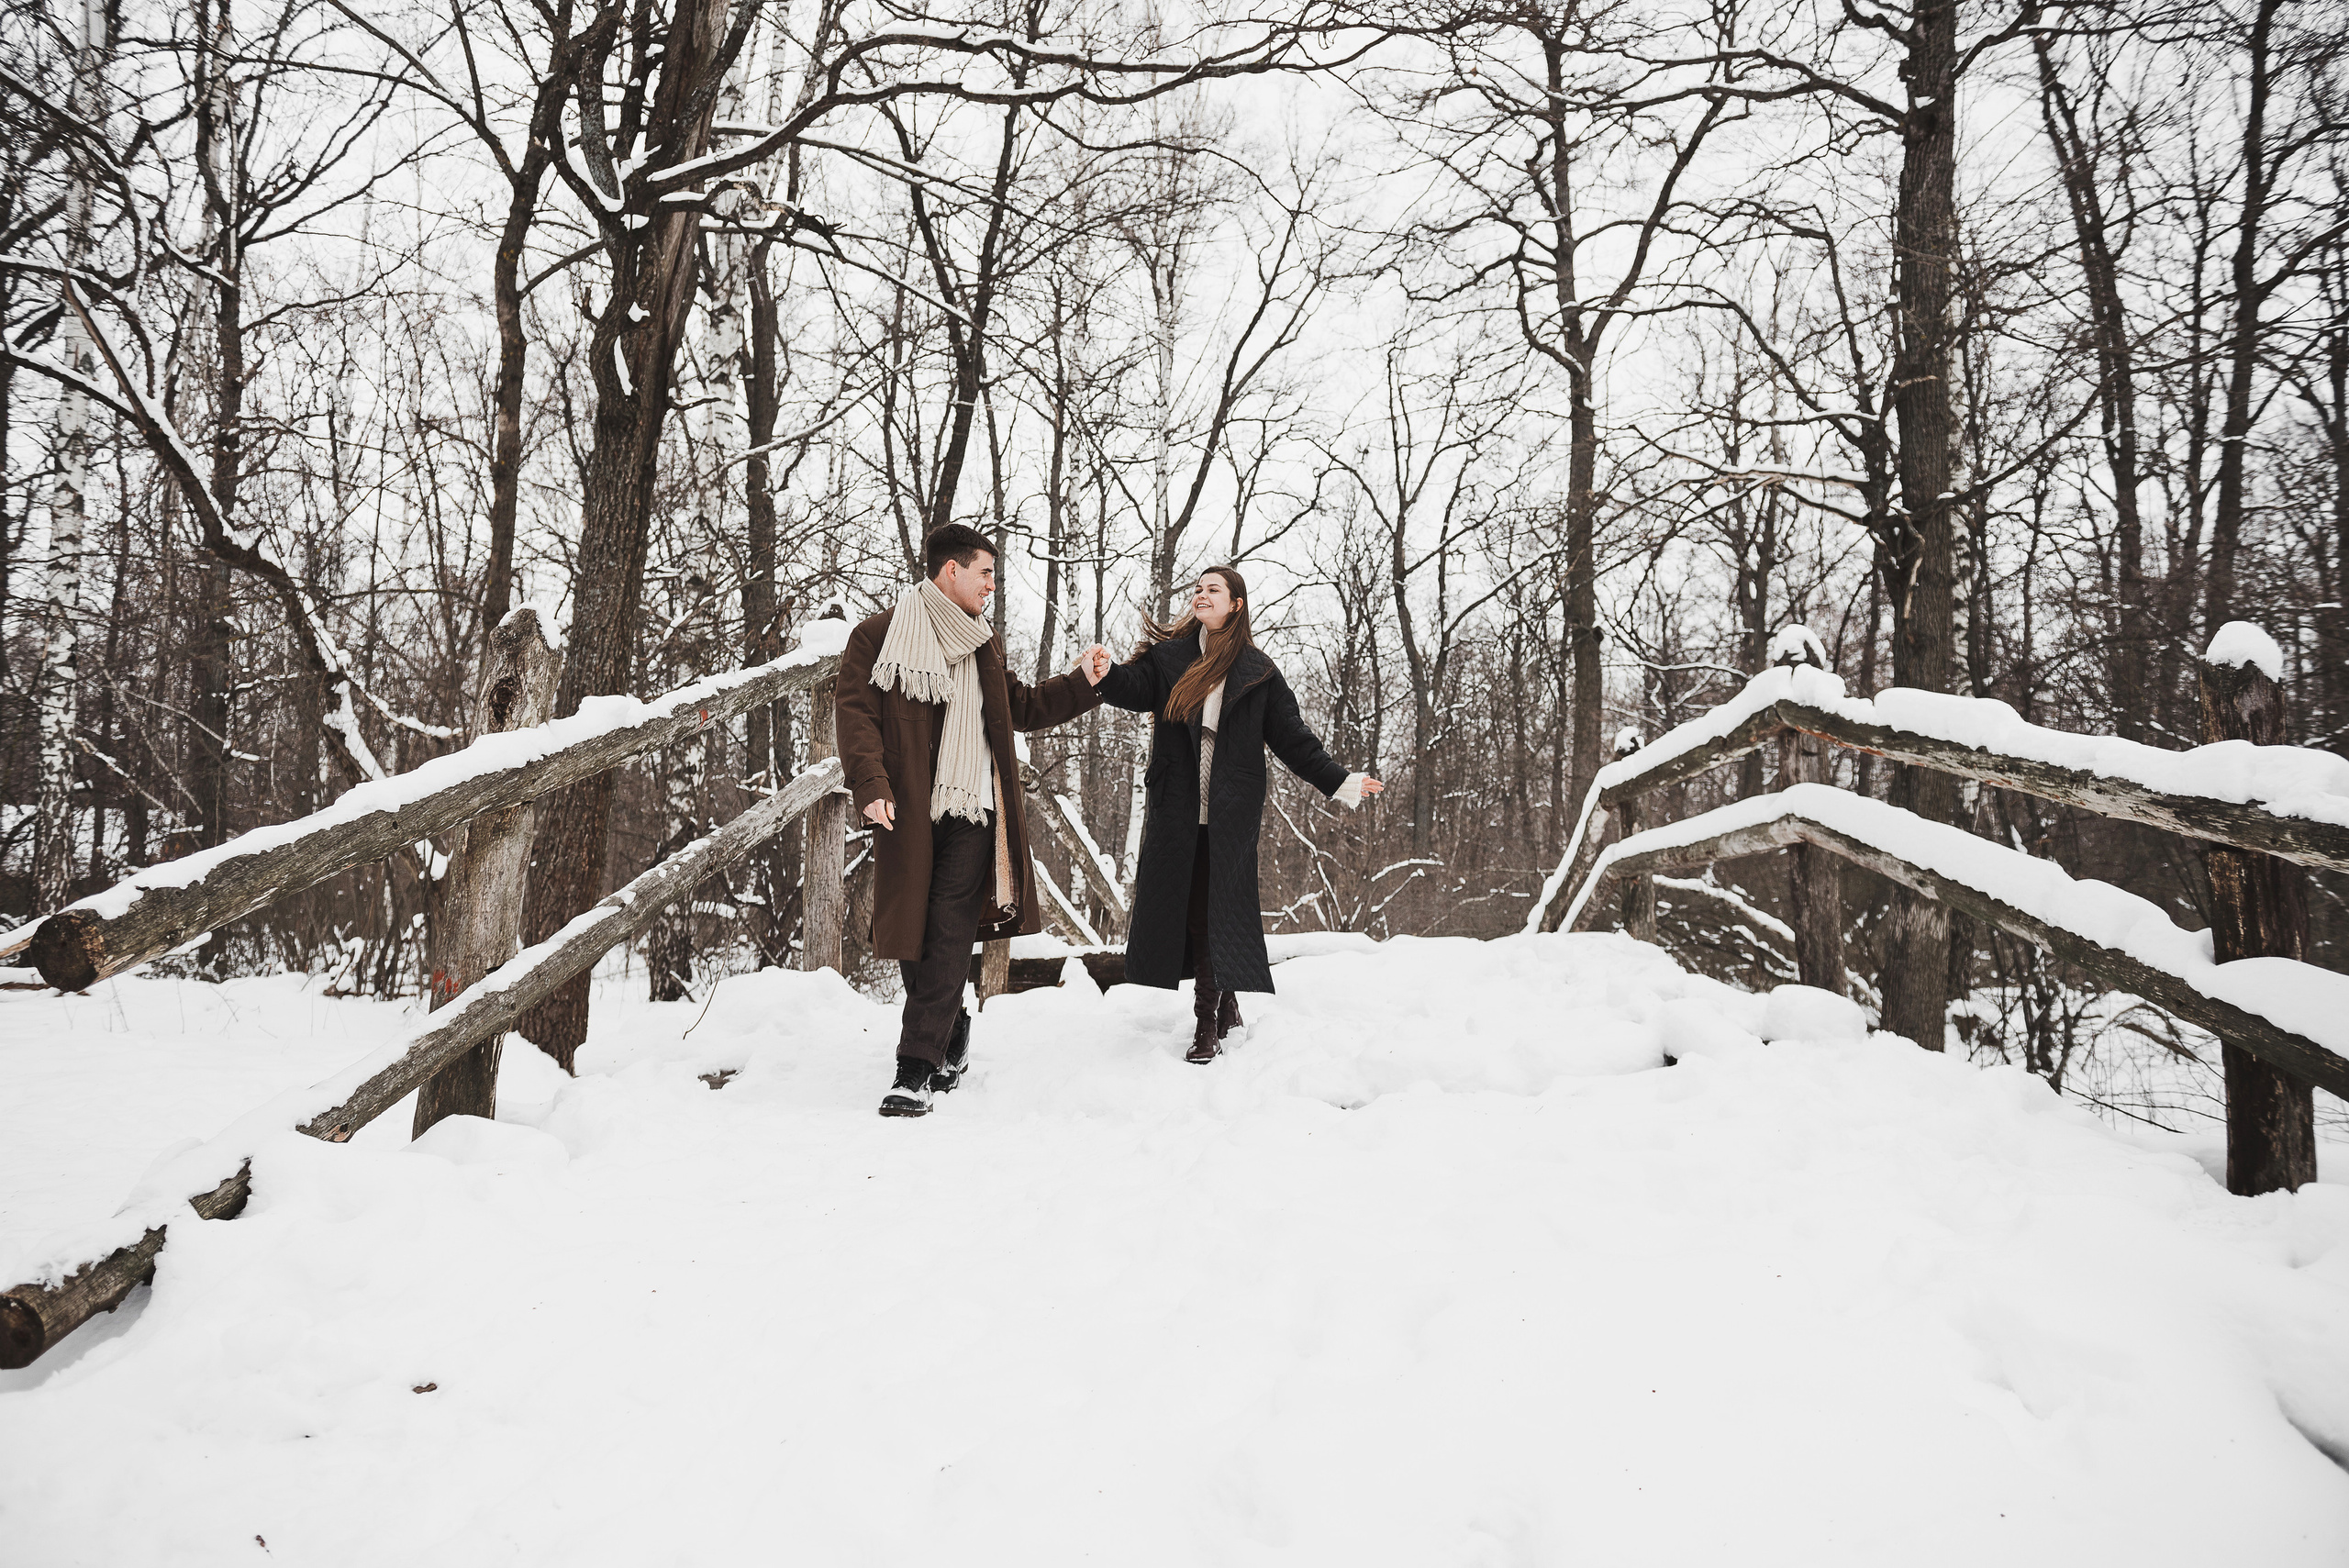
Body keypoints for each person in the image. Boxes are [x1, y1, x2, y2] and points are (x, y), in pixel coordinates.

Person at [836, 524, 1112, 1117]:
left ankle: (914, 1068)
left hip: (974, 808)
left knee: (946, 924)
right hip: (904, 806)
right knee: (915, 930)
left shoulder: (983, 644)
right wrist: (870, 783)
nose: (992, 584)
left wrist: (1082, 682)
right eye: (985, 572)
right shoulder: (877, 635)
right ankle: (951, 1023)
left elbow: (1025, 707)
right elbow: (856, 713)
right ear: (950, 571)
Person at [1096, 566, 1382, 1063]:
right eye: (1198, 589)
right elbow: (1133, 687)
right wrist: (1106, 674)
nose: (1201, 596)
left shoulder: (1258, 671)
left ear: (1237, 604)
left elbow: (1293, 738)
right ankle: (1226, 1003)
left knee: (1212, 912)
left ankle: (1206, 1023)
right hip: (1178, 811)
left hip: (1230, 815)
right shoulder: (1171, 658)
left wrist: (1338, 780)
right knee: (1192, 914)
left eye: (1213, 590)